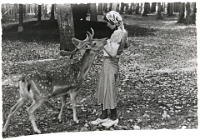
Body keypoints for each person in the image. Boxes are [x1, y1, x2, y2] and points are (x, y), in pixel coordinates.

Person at [91, 11, 128, 128]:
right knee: (104, 87)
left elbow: (112, 53)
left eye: (108, 22)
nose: (107, 25)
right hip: (113, 63)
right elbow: (126, 45)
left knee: (109, 90)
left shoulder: (116, 33)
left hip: (110, 63)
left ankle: (113, 118)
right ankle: (103, 116)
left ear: (113, 22)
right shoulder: (123, 31)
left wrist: (105, 44)